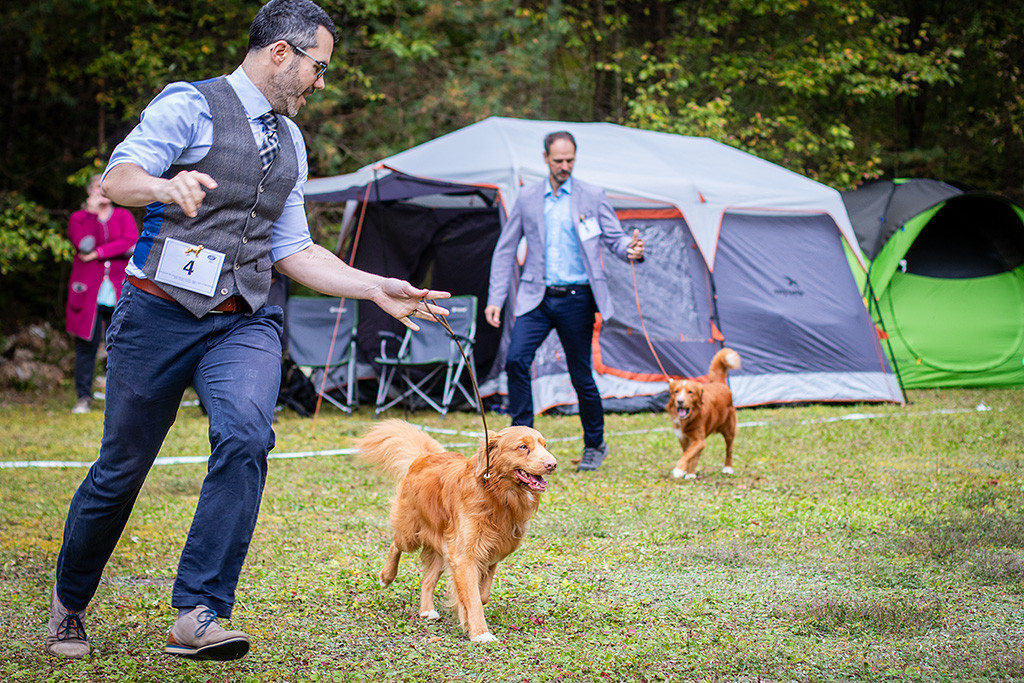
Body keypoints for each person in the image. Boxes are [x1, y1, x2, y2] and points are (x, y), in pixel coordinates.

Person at [45, 0, 449, 661]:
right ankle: (69, 600)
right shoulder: (191, 104)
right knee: (121, 470)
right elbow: (118, 179)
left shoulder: (291, 142)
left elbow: (294, 249)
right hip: (157, 314)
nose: (321, 82)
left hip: (244, 318)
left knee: (246, 436)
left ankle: (198, 610)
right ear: (282, 53)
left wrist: (375, 286)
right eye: (319, 67)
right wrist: (164, 187)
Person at [485, 131, 644, 473]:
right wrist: (496, 297)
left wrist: (630, 250)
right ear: (545, 158)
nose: (565, 166)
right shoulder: (528, 197)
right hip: (536, 297)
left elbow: (615, 239)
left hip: (577, 298)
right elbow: (505, 250)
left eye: (570, 160)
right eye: (558, 160)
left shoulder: (592, 195)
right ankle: (521, 446)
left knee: (580, 373)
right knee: (516, 361)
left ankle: (595, 444)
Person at [65, 174, 139, 414]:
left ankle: (122, 398)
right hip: (88, 291)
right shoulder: (79, 218)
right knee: (86, 345)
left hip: (118, 288)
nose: (103, 190)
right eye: (98, 187)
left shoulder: (123, 215)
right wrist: (91, 214)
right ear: (89, 192)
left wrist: (98, 253)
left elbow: (131, 243)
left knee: (121, 344)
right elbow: (83, 244)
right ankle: (83, 397)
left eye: (106, 186)